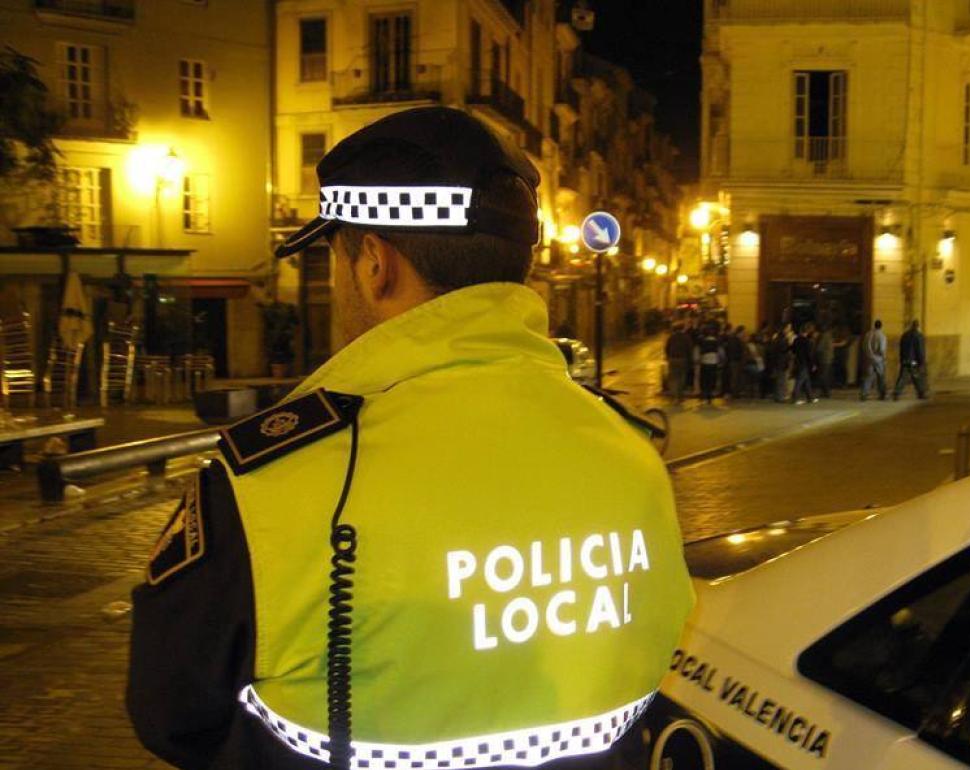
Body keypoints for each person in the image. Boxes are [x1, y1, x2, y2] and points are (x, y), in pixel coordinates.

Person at [127, 107, 694, 770]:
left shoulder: (272, 480)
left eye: (337, 259)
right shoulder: (628, 449)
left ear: (374, 263)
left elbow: (171, 712)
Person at [893, 320, 927, 400]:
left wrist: (901, 359)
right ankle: (921, 393)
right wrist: (922, 361)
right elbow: (919, 350)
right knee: (917, 376)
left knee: (903, 377)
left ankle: (896, 392)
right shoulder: (918, 336)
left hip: (905, 360)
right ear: (918, 326)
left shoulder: (905, 335)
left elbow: (901, 348)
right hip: (914, 361)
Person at [665, 322, 694, 402]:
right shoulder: (686, 337)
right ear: (683, 328)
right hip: (682, 359)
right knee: (682, 378)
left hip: (672, 359)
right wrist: (690, 361)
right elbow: (689, 349)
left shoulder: (671, 337)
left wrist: (668, 357)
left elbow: (667, 348)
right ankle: (680, 396)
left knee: (673, 378)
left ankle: (674, 396)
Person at [859, 319, 887, 401]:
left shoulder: (868, 334)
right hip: (878, 359)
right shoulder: (882, 336)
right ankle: (882, 394)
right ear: (881, 326)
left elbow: (864, 346)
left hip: (869, 358)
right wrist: (884, 357)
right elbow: (882, 349)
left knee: (868, 376)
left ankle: (864, 394)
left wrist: (868, 354)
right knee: (881, 377)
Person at [791, 322, 818, 404]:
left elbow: (793, 350)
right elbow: (809, 354)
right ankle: (795, 398)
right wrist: (813, 364)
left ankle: (810, 397)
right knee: (799, 380)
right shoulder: (807, 342)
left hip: (798, 361)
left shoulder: (796, 340)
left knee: (806, 380)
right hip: (804, 363)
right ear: (807, 332)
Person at [697, 323, 723, 404]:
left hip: (704, 361)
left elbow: (699, 351)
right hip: (713, 361)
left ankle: (704, 394)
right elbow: (720, 352)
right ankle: (710, 395)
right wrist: (721, 360)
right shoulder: (717, 341)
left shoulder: (702, 341)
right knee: (712, 378)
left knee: (704, 379)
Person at [723, 324, 746, 398]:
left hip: (736, 360)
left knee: (737, 377)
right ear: (740, 332)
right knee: (735, 377)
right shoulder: (734, 340)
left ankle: (736, 392)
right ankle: (734, 393)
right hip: (735, 361)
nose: (744, 334)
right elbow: (734, 351)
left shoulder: (736, 340)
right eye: (744, 332)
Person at [815, 324, 838, 398]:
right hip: (828, 358)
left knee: (823, 376)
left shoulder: (824, 336)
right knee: (825, 375)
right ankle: (825, 392)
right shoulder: (829, 336)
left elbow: (819, 348)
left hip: (824, 358)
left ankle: (826, 392)